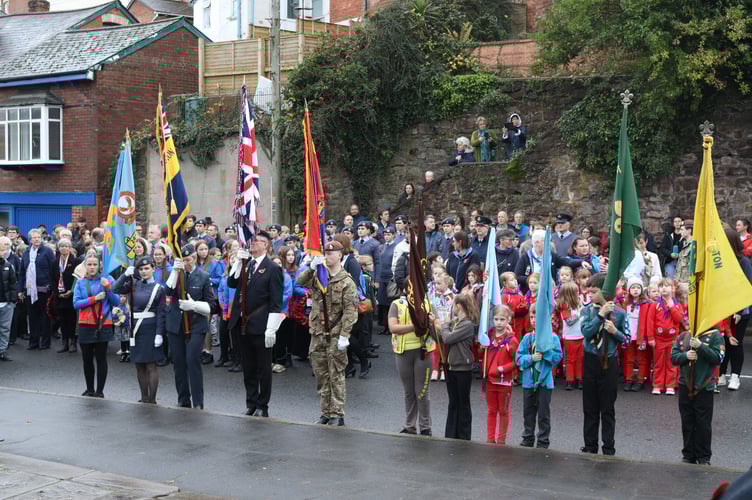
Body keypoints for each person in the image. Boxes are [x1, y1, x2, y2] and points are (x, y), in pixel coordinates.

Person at [297, 240, 359, 426]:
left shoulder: (347, 281)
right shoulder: (318, 274)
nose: (327, 256)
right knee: (321, 374)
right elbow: (300, 282)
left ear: (340, 255)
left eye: (331, 253)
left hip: (335, 333)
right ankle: (325, 412)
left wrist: (344, 335)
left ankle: (337, 414)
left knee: (336, 374)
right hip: (317, 332)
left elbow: (350, 311)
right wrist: (310, 266)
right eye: (325, 253)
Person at [227, 231, 283, 417]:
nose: (252, 244)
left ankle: (262, 405)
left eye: (257, 241)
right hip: (243, 324)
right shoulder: (246, 264)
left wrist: (271, 328)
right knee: (248, 366)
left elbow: (276, 301)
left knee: (263, 368)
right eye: (252, 241)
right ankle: (251, 402)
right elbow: (232, 283)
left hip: (261, 323)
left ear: (266, 245)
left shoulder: (272, 268)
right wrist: (237, 263)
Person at [580, 272, 630, 455]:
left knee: (607, 408)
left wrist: (615, 332)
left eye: (593, 291)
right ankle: (590, 445)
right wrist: (600, 316)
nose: (590, 295)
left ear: (604, 291)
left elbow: (626, 341)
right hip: (591, 360)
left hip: (609, 362)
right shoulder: (588, 311)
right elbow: (586, 332)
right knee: (590, 407)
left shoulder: (620, 313)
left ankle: (608, 447)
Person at [164, 244, 217, 409]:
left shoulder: (203, 276)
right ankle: (183, 399)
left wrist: (194, 306)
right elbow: (168, 291)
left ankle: (198, 402)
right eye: (183, 260)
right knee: (178, 363)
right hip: (176, 325)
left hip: (195, 324)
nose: (186, 263)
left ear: (194, 258)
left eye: (188, 259)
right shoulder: (175, 274)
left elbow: (212, 306)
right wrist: (174, 270)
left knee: (192, 360)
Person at [114, 256, 167, 404]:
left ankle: (152, 399)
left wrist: (159, 334)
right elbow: (115, 289)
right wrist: (125, 275)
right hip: (135, 329)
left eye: (147, 268)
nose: (144, 271)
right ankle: (143, 397)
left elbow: (161, 313)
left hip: (150, 327)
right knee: (139, 364)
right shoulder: (133, 284)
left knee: (151, 365)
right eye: (141, 269)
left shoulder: (159, 288)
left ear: (153, 269)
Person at [672, 326, 723, 465]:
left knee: (703, 424)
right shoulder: (683, 336)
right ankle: (688, 454)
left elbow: (718, 358)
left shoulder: (715, 335)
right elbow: (673, 358)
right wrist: (685, 356)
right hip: (685, 385)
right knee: (687, 422)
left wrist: (701, 347)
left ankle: (703, 457)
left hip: (704, 387)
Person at [388, 283, 435, 436]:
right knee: (409, 391)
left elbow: (438, 330)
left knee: (422, 391)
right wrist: (416, 326)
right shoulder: (396, 304)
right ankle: (410, 425)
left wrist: (432, 322)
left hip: (424, 351)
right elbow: (393, 328)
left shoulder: (428, 303)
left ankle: (426, 426)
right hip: (403, 352)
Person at [516, 302, 562, 448]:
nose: (534, 320)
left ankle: (543, 440)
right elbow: (518, 358)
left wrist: (545, 352)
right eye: (531, 317)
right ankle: (528, 437)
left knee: (543, 414)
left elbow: (557, 357)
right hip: (529, 382)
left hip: (545, 382)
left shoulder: (553, 338)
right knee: (528, 412)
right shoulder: (527, 338)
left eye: (537, 317)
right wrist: (531, 358)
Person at [72, 254, 119, 397]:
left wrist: (108, 289)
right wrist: (94, 299)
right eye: (89, 264)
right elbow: (76, 304)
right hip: (86, 324)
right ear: (85, 266)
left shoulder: (108, 279)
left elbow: (116, 302)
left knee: (101, 358)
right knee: (87, 359)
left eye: (95, 264)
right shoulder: (80, 282)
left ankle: (100, 391)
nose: (92, 267)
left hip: (103, 323)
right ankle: (89, 389)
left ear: (100, 266)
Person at [434, 293, 476, 440]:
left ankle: (464, 435)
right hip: (451, 366)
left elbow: (448, 337)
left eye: (454, 305)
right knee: (453, 402)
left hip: (463, 368)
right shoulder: (456, 322)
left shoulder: (468, 325)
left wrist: (444, 325)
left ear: (459, 306)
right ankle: (451, 433)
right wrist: (434, 326)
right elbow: (441, 339)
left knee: (463, 402)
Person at [718, 227, 752, 391]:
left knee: (735, 342)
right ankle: (721, 374)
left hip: (740, 311)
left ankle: (735, 376)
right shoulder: (720, 259)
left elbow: (747, 287)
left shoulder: (744, 262)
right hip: (723, 309)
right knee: (723, 342)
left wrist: (739, 311)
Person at [484, 305, 519, 444]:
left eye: (502, 319)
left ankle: (501, 440)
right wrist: (482, 348)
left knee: (503, 411)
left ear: (508, 320)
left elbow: (517, 361)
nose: (498, 322)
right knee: (492, 410)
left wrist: (502, 369)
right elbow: (482, 355)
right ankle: (490, 439)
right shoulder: (488, 336)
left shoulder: (512, 340)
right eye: (496, 319)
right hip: (490, 381)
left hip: (504, 382)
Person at [19, 228, 57, 350]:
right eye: (34, 237)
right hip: (29, 290)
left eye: (39, 237)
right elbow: (21, 273)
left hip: (44, 290)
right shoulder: (26, 252)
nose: (37, 239)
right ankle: (33, 342)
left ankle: (45, 343)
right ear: (30, 240)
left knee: (45, 316)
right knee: (32, 316)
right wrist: (20, 290)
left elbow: (53, 269)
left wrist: (52, 286)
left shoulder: (47, 251)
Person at [647, 278, 683, 395]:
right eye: (661, 286)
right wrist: (651, 338)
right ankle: (657, 385)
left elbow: (679, 319)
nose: (663, 288)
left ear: (672, 289)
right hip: (658, 340)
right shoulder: (655, 305)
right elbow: (650, 322)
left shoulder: (677, 305)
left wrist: (672, 307)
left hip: (672, 340)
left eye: (666, 286)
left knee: (671, 363)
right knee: (658, 363)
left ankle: (670, 385)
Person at [552, 281, 585, 390]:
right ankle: (570, 380)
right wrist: (580, 313)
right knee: (571, 360)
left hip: (580, 335)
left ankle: (579, 379)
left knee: (580, 359)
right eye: (576, 292)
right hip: (570, 337)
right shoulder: (565, 307)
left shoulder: (579, 303)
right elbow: (569, 322)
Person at [621, 277, 650, 392]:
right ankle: (628, 379)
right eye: (633, 287)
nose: (636, 290)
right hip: (628, 336)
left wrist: (646, 337)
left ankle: (640, 380)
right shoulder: (625, 304)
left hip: (640, 336)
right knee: (629, 358)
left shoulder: (645, 304)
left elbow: (648, 321)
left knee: (641, 359)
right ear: (629, 290)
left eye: (638, 287)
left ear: (642, 290)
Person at [53, 238, 79, 354]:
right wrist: (58, 293)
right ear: (59, 248)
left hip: (71, 295)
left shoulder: (75, 261)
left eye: (66, 246)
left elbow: (78, 278)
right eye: (62, 246)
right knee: (62, 319)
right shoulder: (55, 262)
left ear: (70, 248)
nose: (64, 248)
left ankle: (73, 342)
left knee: (72, 319)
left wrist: (71, 291)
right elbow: (52, 279)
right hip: (59, 295)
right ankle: (65, 342)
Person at [376, 226, 398, 336]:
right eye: (385, 235)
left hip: (390, 277)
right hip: (381, 277)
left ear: (393, 235)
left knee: (390, 303)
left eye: (389, 234)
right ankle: (385, 326)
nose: (387, 236)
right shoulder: (381, 247)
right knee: (383, 304)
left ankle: (391, 326)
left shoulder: (396, 246)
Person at [0, 239, 18, 361]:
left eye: (2, 249)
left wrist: (12, 300)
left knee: (5, 328)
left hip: (6, 302)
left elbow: (13, 284)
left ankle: (2, 351)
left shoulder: (8, 265)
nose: (2, 252)